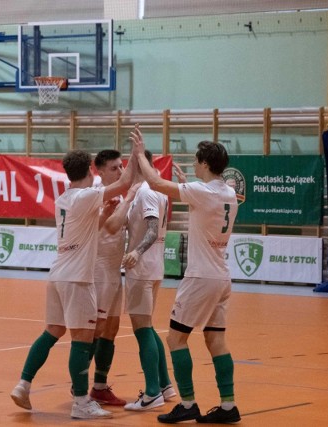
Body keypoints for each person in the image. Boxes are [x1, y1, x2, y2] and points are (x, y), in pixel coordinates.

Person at [10, 148, 137, 419]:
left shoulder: (64, 199)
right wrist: (136, 155)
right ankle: (81, 402)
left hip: (57, 275)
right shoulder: (87, 195)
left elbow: (89, 228)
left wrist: (103, 214)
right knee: (82, 339)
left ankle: (23, 384)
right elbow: (124, 183)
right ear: (92, 171)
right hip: (78, 278)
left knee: (52, 331)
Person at [129, 126, 241, 424]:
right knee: (216, 340)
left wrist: (140, 155)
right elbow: (205, 203)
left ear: (205, 163)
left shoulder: (202, 192)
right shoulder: (228, 191)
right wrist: (186, 184)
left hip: (201, 278)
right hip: (221, 276)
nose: (193, 163)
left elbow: (153, 181)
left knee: (176, 339)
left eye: (196, 160)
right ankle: (229, 406)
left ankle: (188, 403)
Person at [104, 150, 176, 411]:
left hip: (142, 267)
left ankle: (152, 393)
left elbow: (153, 227)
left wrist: (135, 251)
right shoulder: (156, 189)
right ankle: (166, 385)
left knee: (142, 329)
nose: (124, 167)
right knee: (148, 325)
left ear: (139, 163)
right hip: (154, 267)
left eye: (129, 163)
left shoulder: (145, 191)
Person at [87, 149, 128, 406]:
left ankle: (99, 386)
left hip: (115, 268)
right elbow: (105, 227)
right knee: (95, 329)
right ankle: (78, 383)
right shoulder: (95, 194)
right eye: (114, 168)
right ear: (99, 171)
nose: (120, 172)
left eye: (122, 166)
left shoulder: (122, 194)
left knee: (111, 330)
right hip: (99, 268)